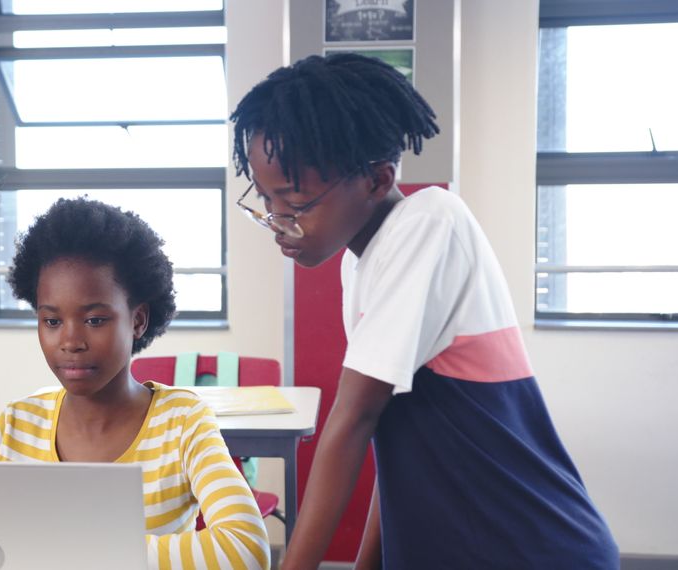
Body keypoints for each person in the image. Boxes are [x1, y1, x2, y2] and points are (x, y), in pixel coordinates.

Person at [229, 53, 619, 569]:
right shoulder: (360, 262)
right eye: (266, 200)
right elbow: (390, 436)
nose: (278, 222)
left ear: (376, 180)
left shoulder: (430, 221)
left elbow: (354, 418)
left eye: (296, 204)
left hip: (529, 545)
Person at [0, 198, 271, 570]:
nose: (70, 341)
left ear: (137, 320)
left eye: (94, 320)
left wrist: (68, 552)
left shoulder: (182, 423)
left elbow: (245, 549)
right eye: (52, 321)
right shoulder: (14, 427)